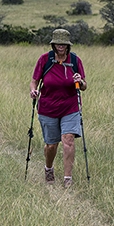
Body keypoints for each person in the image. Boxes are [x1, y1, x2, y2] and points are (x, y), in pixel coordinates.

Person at [30, 29, 87, 187]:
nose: (60, 46)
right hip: (48, 107)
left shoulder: (75, 61)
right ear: (53, 44)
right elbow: (34, 81)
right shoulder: (44, 60)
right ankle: (48, 168)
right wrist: (33, 91)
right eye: (57, 43)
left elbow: (84, 86)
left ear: (68, 45)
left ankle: (67, 179)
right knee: (51, 144)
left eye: (63, 44)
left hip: (70, 106)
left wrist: (80, 81)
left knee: (68, 140)